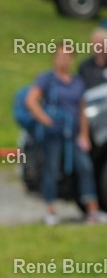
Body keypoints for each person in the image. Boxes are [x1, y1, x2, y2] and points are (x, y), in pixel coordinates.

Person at [24, 41, 107, 225]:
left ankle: (93, 210)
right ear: (55, 58)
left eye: (68, 57)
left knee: (85, 167)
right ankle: (51, 211)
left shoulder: (77, 82)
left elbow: (82, 108)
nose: (64, 60)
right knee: (51, 169)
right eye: (61, 56)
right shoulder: (47, 79)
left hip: (74, 134)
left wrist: (84, 135)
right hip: (53, 134)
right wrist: (46, 120)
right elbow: (31, 100)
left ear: (72, 59)